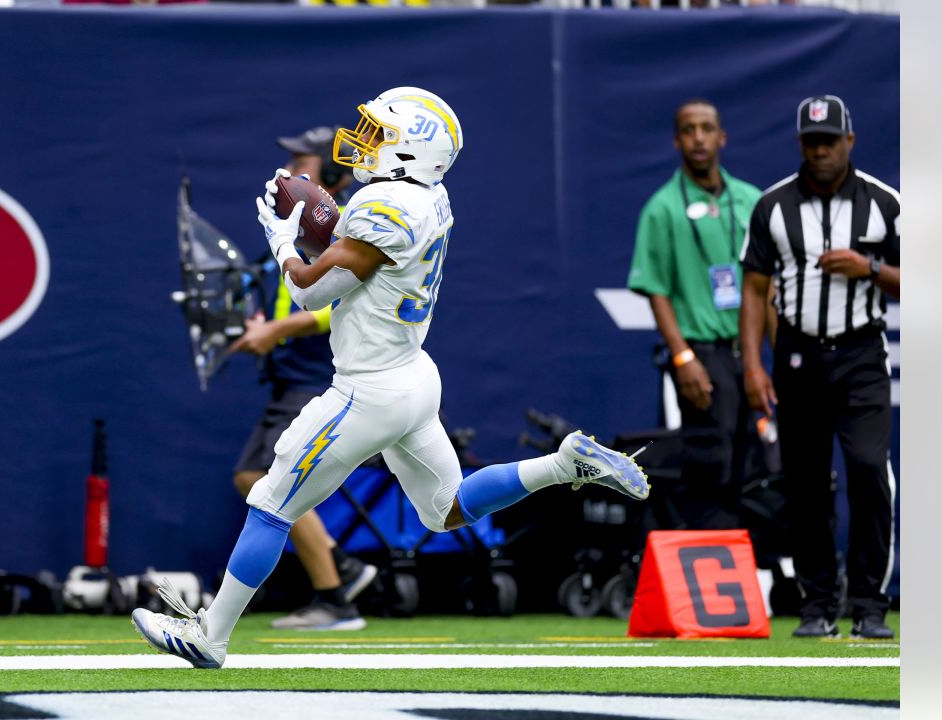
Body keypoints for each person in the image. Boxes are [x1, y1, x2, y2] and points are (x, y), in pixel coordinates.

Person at [132, 87, 650, 668]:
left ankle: (211, 636)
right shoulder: (427, 197)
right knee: (445, 510)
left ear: (411, 149)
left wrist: (283, 242)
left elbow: (307, 288)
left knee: (271, 500)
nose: (364, 141)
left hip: (369, 388)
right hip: (413, 376)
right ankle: (562, 464)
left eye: (380, 133)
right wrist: (328, 232)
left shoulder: (386, 207)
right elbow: (361, 262)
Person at [740, 95, 899, 640]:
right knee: (804, 480)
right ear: (800, 145)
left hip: (860, 354)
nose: (821, 151)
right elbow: (755, 288)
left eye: (830, 141)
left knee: (867, 466)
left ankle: (870, 604)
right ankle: (816, 604)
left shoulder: (885, 203)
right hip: (798, 354)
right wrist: (754, 365)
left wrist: (870, 267)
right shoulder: (773, 206)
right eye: (812, 142)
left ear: (849, 141)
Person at [227, 126, 378, 631]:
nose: (291, 171)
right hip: (295, 373)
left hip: (319, 373)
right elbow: (286, 291)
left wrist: (280, 329)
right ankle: (343, 573)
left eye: (303, 162)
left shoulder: (352, 221)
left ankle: (335, 595)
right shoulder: (302, 224)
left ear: (331, 175)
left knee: (266, 478)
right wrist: (262, 327)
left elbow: (345, 304)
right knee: (263, 478)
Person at [627, 99, 764, 529]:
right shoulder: (662, 208)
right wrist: (683, 356)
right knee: (710, 462)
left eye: (707, 128)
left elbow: (765, 287)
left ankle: (753, 570)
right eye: (689, 129)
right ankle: (710, 563)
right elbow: (655, 289)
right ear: (676, 140)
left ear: (722, 136)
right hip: (701, 354)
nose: (699, 138)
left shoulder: (751, 201)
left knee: (755, 463)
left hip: (750, 353)